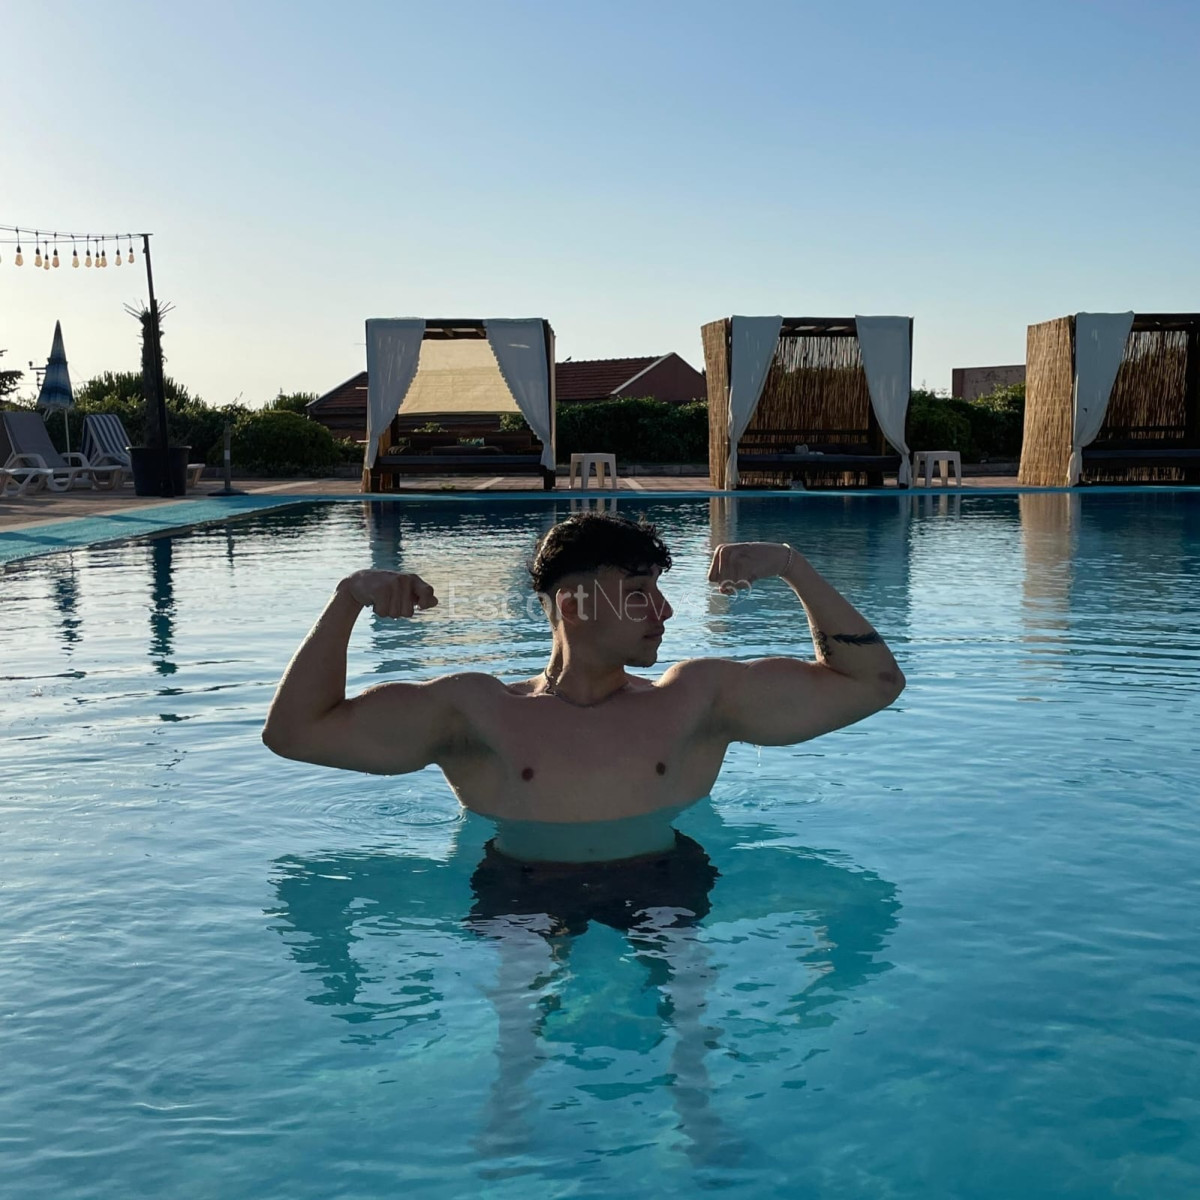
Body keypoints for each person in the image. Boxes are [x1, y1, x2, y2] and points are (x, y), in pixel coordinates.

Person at [262, 512, 905, 869]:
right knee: (521, 1040)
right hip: (521, 891)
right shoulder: (476, 711)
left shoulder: (695, 700)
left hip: (665, 882)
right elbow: (293, 733)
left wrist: (793, 566)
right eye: (638, 593)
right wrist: (348, 598)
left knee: (685, 1032)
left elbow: (875, 683)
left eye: (657, 592)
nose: (664, 612)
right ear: (573, 605)